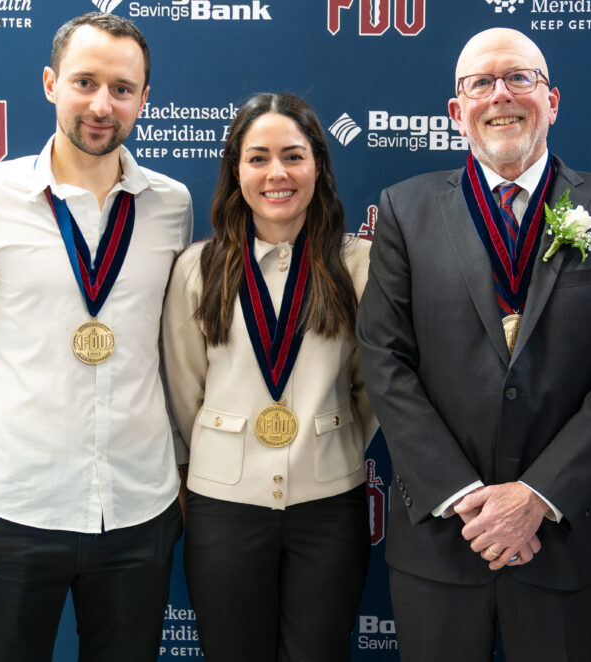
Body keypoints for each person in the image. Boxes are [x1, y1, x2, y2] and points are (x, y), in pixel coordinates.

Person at [357, 27, 591, 661]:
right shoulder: (404, 211)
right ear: (456, 111)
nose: (501, 95)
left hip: (561, 537)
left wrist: (538, 497)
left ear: (552, 99)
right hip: (444, 535)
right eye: (481, 83)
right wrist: (466, 499)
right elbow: (385, 361)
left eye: (519, 78)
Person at [0, 12, 191, 662]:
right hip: (14, 506)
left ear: (144, 100)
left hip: (140, 508)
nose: (102, 104)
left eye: (122, 89)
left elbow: (177, 352)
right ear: (50, 83)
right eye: (85, 82)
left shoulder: (171, 204)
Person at [162, 92, 376, 662]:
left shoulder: (359, 264)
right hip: (223, 501)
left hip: (329, 500)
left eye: (293, 156)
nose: (276, 173)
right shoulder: (197, 268)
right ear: (237, 171)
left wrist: (329, 437)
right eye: (258, 158)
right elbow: (186, 391)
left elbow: (371, 388)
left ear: (318, 167)